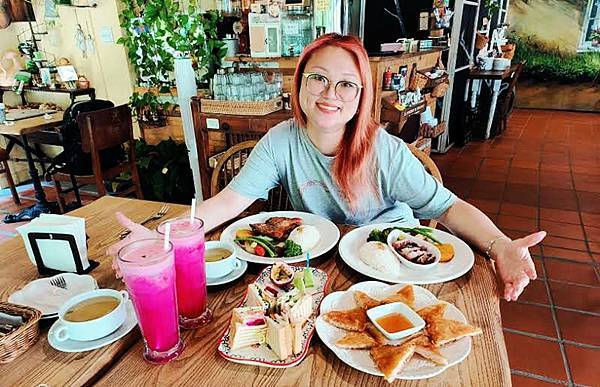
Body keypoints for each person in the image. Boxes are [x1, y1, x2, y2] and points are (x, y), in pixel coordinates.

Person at [109, 33, 545, 302]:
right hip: (318, 271)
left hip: (390, 266)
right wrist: (167, 236)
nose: (329, 93)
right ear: (299, 84)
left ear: (360, 96)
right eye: (318, 78)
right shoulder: (281, 141)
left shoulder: (384, 150)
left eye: (346, 84)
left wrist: (501, 245)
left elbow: (448, 209)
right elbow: (227, 203)